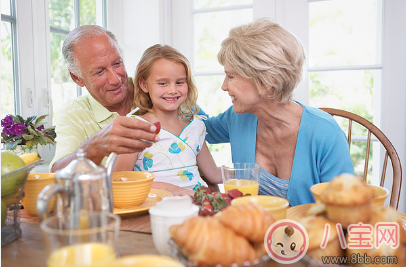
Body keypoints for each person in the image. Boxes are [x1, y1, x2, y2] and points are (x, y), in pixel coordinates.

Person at [200, 18, 354, 206]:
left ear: (266, 81)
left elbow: (344, 210)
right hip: (253, 231)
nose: (224, 86)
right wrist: (177, 93)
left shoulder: (325, 134)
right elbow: (200, 127)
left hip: (310, 234)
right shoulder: (238, 117)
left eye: (231, 76)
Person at [50, 25, 194, 195]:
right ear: (77, 78)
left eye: (117, 63)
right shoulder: (73, 114)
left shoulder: (160, 90)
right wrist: (94, 147)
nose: (116, 79)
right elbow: (55, 177)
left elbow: (198, 134)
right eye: (100, 71)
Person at [114, 44, 222, 195]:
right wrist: (172, 190)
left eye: (179, 82)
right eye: (162, 83)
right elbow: (120, 179)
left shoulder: (196, 126)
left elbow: (214, 174)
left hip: (196, 206)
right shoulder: (135, 128)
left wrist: (251, 173)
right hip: (154, 209)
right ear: (144, 84)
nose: (172, 90)